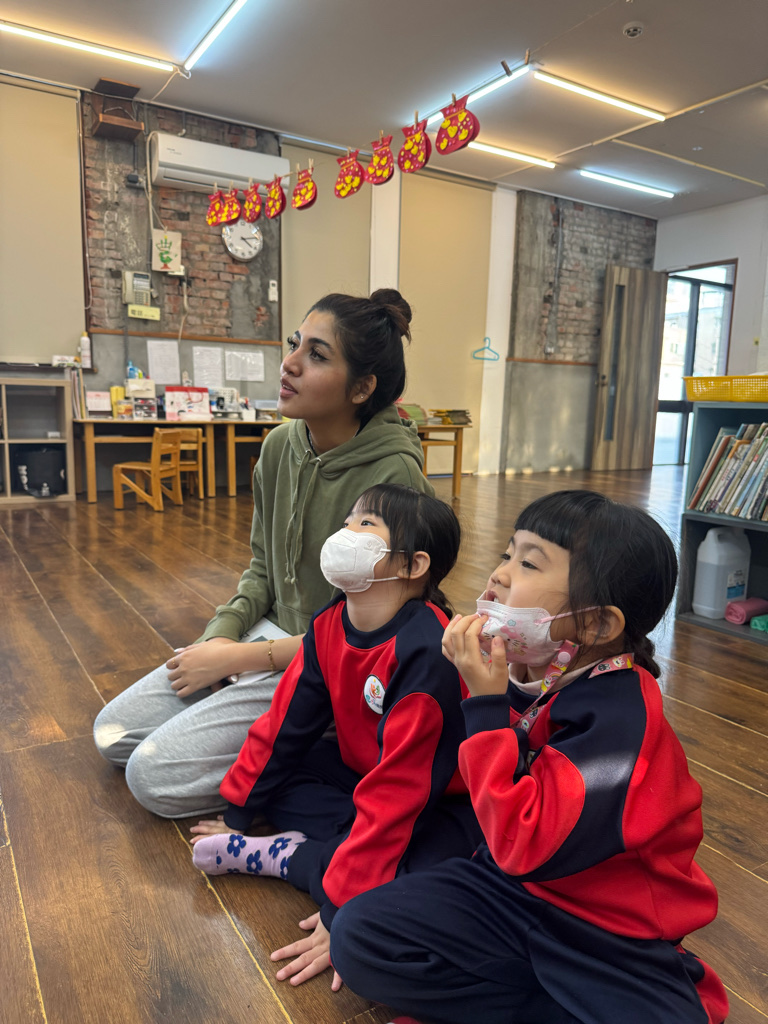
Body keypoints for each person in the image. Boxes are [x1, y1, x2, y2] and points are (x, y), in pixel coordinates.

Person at [330, 490, 729, 1024]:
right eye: (507, 553)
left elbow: (526, 843)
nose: (498, 574)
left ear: (595, 626)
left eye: (528, 563)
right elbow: (501, 841)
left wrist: (486, 706)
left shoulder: (622, 722)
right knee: (357, 937)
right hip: (510, 889)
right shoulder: (532, 675)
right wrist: (488, 690)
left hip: (607, 933)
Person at [94, 290, 434, 818]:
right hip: (268, 640)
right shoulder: (278, 447)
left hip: (332, 667)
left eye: (316, 355)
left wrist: (237, 660)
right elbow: (261, 570)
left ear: (362, 388)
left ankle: (324, 740)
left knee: (152, 776)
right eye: (295, 344)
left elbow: (371, 634)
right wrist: (219, 638)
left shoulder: (396, 476)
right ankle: (274, 738)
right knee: (111, 734)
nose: (290, 363)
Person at [189, 484, 481, 989]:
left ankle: (295, 859)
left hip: (440, 800)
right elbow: (284, 725)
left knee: (440, 867)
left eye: (367, 525)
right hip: (363, 777)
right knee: (283, 778)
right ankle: (351, 850)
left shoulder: (427, 650)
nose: (346, 532)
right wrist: (239, 810)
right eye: (348, 521)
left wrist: (339, 902)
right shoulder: (328, 623)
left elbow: (403, 789)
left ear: (413, 565)